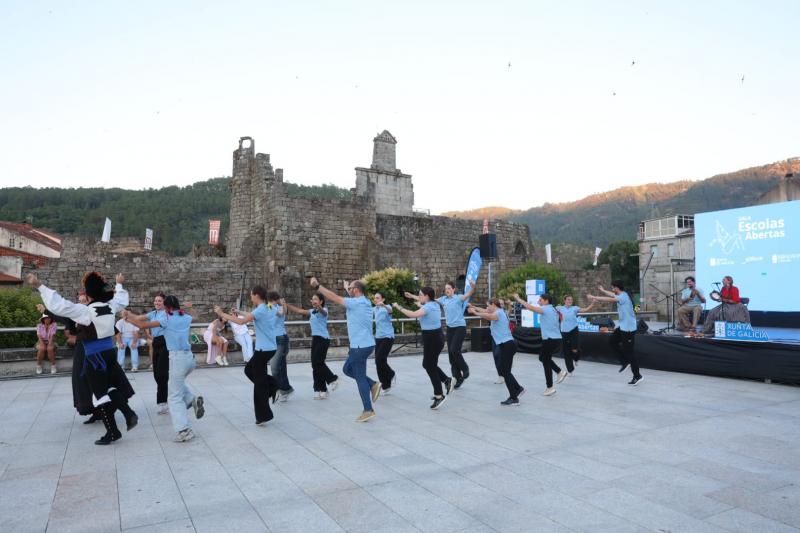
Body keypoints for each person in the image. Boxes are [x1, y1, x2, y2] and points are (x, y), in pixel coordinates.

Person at [27, 271, 138, 445]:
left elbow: (60, 305)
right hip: (109, 352)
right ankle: (128, 414)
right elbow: (122, 300)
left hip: (95, 356)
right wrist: (119, 284)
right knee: (108, 387)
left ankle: (113, 431)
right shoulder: (111, 307)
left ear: (87, 293)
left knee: (99, 395)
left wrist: (39, 285)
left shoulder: (86, 311)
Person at [124, 295, 205, 442]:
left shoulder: (166, 319)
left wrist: (127, 320)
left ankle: (184, 430)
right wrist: (191, 307)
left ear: (167, 308)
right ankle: (192, 400)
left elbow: (142, 326)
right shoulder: (185, 316)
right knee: (175, 383)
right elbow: (196, 317)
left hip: (178, 359)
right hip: (189, 359)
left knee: (174, 397)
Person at [311, 277, 381, 422]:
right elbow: (351, 298)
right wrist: (346, 288)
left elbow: (335, 298)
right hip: (365, 344)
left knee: (359, 377)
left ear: (356, 290)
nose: (348, 291)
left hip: (360, 347)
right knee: (347, 369)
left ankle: (368, 409)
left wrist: (318, 286)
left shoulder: (356, 303)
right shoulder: (365, 301)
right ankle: (373, 384)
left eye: (350, 289)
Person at [215, 287, 280, 425]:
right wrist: (238, 312)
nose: (250, 297)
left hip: (264, 349)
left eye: (251, 295)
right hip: (269, 348)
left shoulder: (262, 309)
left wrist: (222, 313)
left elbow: (240, 322)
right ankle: (272, 388)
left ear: (256, 295)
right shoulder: (268, 307)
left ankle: (265, 410)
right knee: (252, 373)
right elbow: (253, 314)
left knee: (258, 381)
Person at [405, 279, 475, 389]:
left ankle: (465, 368)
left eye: (449, 288)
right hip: (450, 328)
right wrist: (412, 296)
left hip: (460, 327)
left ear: (453, 289)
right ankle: (458, 378)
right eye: (445, 288)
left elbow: (468, 295)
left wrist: (473, 287)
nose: (446, 290)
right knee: (451, 355)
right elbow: (428, 299)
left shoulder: (458, 298)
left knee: (454, 350)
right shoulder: (443, 299)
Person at [394, 286, 454, 409]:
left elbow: (412, 314)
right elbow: (422, 302)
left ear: (426, 296)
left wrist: (398, 307)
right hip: (433, 337)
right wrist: (412, 296)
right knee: (427, 364)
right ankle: (447, 380)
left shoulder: (428, 307)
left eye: (420, 294)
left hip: (433, 339)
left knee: (430, 366)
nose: (419, 296)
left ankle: (439, 395)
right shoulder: (434, 303)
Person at [469, 299, 523, 405]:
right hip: (505, 344)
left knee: (505, 372)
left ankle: (514, 398)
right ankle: (518, 388)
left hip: (507, 344)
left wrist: (475, 313)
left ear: (493, 305)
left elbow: (489, 316)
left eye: (488, 306)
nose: (487, 308)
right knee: (505, 371)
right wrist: (474, 307)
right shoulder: (497, 311)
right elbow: (485, 311)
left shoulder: (498, 313)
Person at [588, 281, 643, 386]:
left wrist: (595, 297)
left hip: (629, 329)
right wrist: (603, 290)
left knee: (630, 352)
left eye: (613, 288)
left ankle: (637, 375)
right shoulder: (622, 294)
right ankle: (624, 361)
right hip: (623, 327)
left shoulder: (623, 297)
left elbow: (610, 299)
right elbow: (611, 295)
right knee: (612, 341)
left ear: (617, 288)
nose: (613, 290)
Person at [286, 293, 339, 399]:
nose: (313, 300)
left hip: (323, 339)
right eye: (312, 299)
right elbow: (299, 311)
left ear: (321, 301)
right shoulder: (312, 311)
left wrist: (318, 306)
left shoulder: (324, 310)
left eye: (316, 299)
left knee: (318, 363)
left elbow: (323, 312)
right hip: (315, 339)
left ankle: (332, 379)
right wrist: (286, 304)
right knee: (315, 365)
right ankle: (321, 390)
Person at [513, 293, 567, 396]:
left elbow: (530, 307)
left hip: (550, 339)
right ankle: (559, 372)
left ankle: (550, 387)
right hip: (555, 339)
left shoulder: (546, 309)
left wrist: (518, 299)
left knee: (545, 361)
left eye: (540, 300)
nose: (539, 301)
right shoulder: (554, 309)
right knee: (542, 358)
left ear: (546, 301)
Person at [555, 295, 596, 374]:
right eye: (568, 299)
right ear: (564, 301)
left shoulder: (575, 308)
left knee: (575, 349)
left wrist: (592, 304)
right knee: (566, 352)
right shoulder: (559, 308)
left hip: (573, 330)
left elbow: (585, 310)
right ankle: (570, 370)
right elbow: (551, 311)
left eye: (571, 300)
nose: (570, 301)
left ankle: (576, 359)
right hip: (564, 332)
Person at [268, 292, 294, 402]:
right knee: (281, 367)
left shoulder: (278, 307)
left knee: (274, 366)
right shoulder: (269, 306)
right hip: (274, 340)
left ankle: (277, 388)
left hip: (281, 339)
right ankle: (286, 389)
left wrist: (284, 305)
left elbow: (282, 313)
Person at [372, 292, 396, 393]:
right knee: (379, 362)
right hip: (378, 337)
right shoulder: (374, 309)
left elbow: (391, 310)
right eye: (375, 298)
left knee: (379, 359)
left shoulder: (387, 308)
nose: (376, 300)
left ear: (383, 299)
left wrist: (384, 305)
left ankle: (391, 374)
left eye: (378, 298)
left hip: (387, 336)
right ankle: (386, 386)